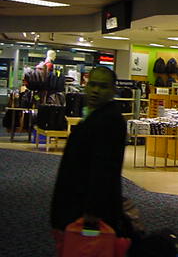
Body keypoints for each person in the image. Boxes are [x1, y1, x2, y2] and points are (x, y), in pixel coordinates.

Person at [50, 66, 127, 254]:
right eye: (92, 84)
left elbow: (104, 168)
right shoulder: (94, 114)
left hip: (89, 210)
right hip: (78, 202)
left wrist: (92, 211)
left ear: (113, 90)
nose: (95, 90)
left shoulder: (111, 120)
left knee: (87, 249)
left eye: (103, 86)